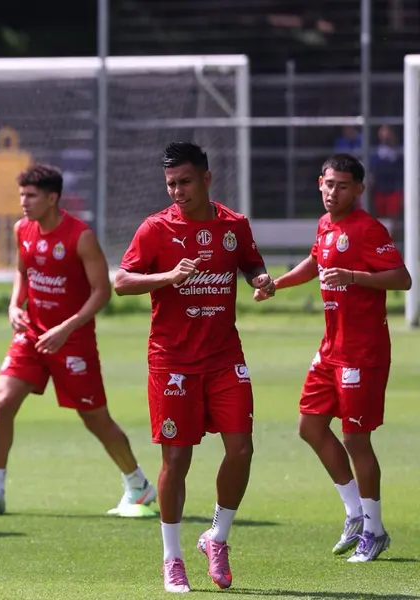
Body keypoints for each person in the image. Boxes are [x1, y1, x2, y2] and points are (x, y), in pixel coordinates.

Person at [114, 142, 275, 593]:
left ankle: (217, 537)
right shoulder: (155, 229)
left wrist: (259, 279)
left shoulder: (234, 225)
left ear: (207, 178)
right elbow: (122, 281)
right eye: (170, 184)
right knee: (177, 458)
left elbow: (249, 261)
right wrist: (167, 277)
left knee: (241, 449)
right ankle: (172, 558)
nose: (177, 192)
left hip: (225, 357)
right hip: (173, 362)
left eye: (185, 182)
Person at [0, 164, 155, 517]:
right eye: (21, 194)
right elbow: (23, 272)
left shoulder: (80, 236)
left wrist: (66, 328)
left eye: (31, 196)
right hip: (32, 336)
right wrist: (13, 305)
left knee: (94, 418)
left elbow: (102, 293)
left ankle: (139, 486)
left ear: (52, 198)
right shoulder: (21, 229)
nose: (23, 202)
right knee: (3, 401)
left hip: (73, 342)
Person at [257, 154, 410, 562]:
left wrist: (355, 276)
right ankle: (355, 513)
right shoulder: (326, 224)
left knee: (356, 438)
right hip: (331, 349)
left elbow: (403, 278)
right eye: (328, 184)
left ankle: (375, 531)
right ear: (319, 183)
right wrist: (278, 283)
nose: (333, 192)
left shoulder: (368, 229)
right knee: (309, 426)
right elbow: (316, 261)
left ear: (359, 189)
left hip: (363, 352)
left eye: (342, 186)